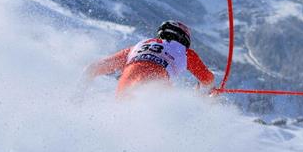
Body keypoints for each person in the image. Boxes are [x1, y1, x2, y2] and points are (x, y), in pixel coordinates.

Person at [86, 20, 214, 97]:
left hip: (123, 92)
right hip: (154, 95)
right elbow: (208, 79)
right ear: (183, 39)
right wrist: (206, 94)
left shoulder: (136, 47)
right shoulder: (185, 52)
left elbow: (92, 68)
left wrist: (76, 97)